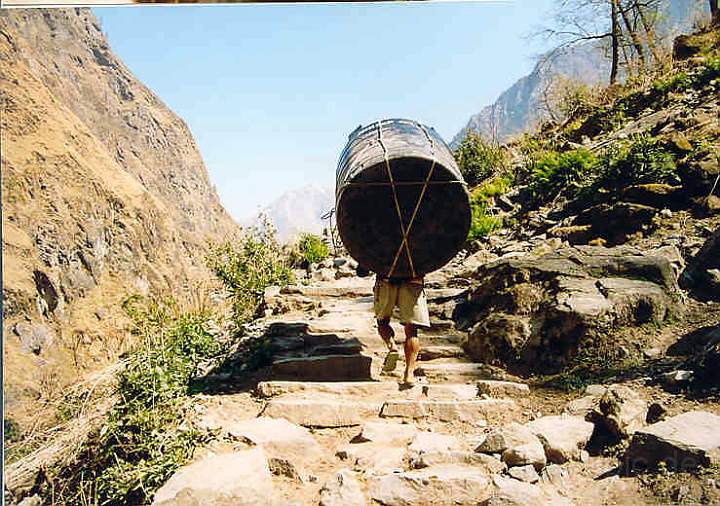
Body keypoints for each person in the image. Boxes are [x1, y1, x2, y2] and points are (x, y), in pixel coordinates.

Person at [357, 266, 430, 386]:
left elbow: (363, 269)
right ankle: (409, 373)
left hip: (386, 280)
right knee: (412, 330)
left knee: (382, 321)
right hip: (413, 281)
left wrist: (363, 265)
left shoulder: (380, 245)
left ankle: (392, 347)